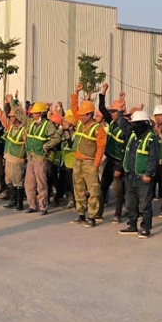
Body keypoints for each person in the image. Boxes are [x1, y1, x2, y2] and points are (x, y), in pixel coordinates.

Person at [69, 87, 106, 228]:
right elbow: (74, 109)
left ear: (90, 114)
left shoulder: (98, 129)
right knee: (78, 188)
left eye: (84, 115)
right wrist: (76, 93)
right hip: (78, 161)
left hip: (90, 163)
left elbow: (101, 148)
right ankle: (81, 214)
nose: (81, 116)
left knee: (93, 190)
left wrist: (96, 165)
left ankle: (92, 216)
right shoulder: (80, 123)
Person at [119, 110, 159, 238]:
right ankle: (132, 225)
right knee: (130, 203)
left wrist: (148, 174)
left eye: (136, 124)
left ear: (144, 124)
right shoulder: (132, 135)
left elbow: (153, 159)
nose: (133, 126)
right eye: (133, 123)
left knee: (145, 204)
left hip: (143, 178)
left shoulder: (151, 138)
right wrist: (120, 111)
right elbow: (122, 124)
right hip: (130, 176)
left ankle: (146, 228)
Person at [16, 100, 61, 215]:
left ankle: (43, 207)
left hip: (40, 159)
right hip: (31, 158)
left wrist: (47, 146)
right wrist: (12, 103)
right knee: (29, 184)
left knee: (41, 184)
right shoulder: (31, 123)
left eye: (35, 113)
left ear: (41, 113)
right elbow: (20, 116)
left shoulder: (48, 125)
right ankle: (32, 205)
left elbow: (57, 138)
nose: (32, 114)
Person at [98, 84, 129, 224]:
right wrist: (103, 93)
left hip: (118, 163)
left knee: (118, 191)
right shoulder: (111, 122)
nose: (111, 113)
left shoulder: (125, 128)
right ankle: (99, 213)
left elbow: (126, 149)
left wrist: (120, 168)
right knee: (103, 187)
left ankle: (117, 215)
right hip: (110, 161)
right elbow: (102, 109)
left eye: (114, 111)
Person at [0, 95, 28, 211]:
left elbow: (27, 145)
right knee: (9, 181)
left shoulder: (24, 130)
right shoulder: (11, 127)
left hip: (18, 160)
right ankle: (13, 201)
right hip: (8, 158)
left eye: (12, 117)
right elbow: (1, 116)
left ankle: (19, 203)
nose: (10, 118)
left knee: (18, 182)